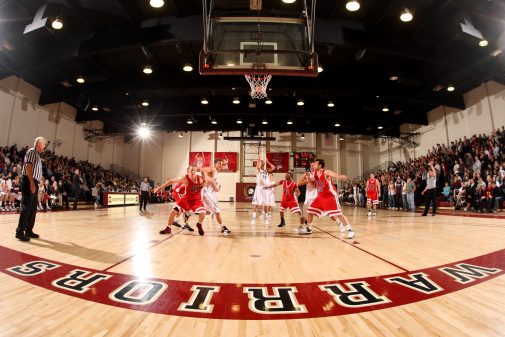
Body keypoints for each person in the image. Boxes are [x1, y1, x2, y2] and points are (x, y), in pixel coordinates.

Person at [155, 166, 216, 236]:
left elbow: (210, 180)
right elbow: (171, 181)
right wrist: (160, 187)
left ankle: (199, 224)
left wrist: (214, 186)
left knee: (203, 212)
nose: (193, 172)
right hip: (186, 199)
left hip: (196, 200)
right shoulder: (185, 178)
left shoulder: (200, 179)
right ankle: (168, 228)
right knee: (173, 212)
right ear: (188, 172)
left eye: (195, 170)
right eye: (191, 170)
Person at [306, 159, 355, 239]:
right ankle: (308, 228)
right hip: (321, 196)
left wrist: (340, 176)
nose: (314, 165)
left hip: (330, 195)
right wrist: (309, 179)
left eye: (315, 164)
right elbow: (314, 185)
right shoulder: (314, 173)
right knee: (310, 210)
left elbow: (334, 174)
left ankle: (350, 230)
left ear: (320, 165)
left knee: (338, 213)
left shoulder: (326, 172)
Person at [15, 137, 46, 241]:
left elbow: (35, 169)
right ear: (38, 144)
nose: (44, 146)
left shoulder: (37, 154)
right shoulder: (32, 152)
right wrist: (32, 183)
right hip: (29, 181)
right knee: (27, 207)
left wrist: (38, 180)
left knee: (32, 208)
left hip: (34, 181)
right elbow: (28, 167)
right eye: (43, 145)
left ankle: (28, 230)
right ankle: (20, 231)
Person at [200, 158, 231, 236]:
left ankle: (189, 215)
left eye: (221, 164)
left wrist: (217, 187)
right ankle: (222, 227)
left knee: (207, 211)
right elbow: (203, 169)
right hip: (207, 192)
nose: (221, 165)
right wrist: (206, 177)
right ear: (215, 164)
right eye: (219, 164)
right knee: (216, 210)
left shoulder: (217, 171)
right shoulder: (213, 168)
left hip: (211, 193)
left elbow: (216, 183)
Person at [251, 153, 275, 226]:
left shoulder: (266, 171)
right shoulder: (259, 170)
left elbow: (273, 167)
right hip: (259, 188)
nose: (261, 163)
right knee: (256, 205)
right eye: (261, 162)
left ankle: (266, 220)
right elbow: (258, 163)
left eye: (263, 162)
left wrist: (268, 162)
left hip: (265, 189)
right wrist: (259, 155)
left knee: (265, 205)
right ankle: (253, 220)